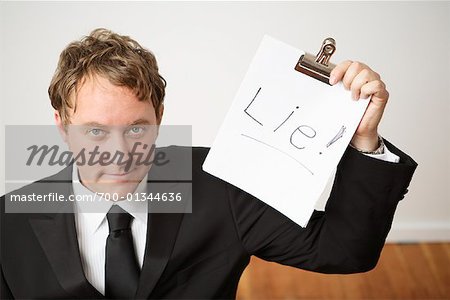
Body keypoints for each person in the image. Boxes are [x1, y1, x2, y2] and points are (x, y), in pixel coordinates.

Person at [0, 28, 417, 299]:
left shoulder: (222, 184)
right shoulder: (7, 224)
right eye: (94, 131)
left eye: (136, 128)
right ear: (61, 125)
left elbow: (345, 252)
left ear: (160, 117)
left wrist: (362, 137)